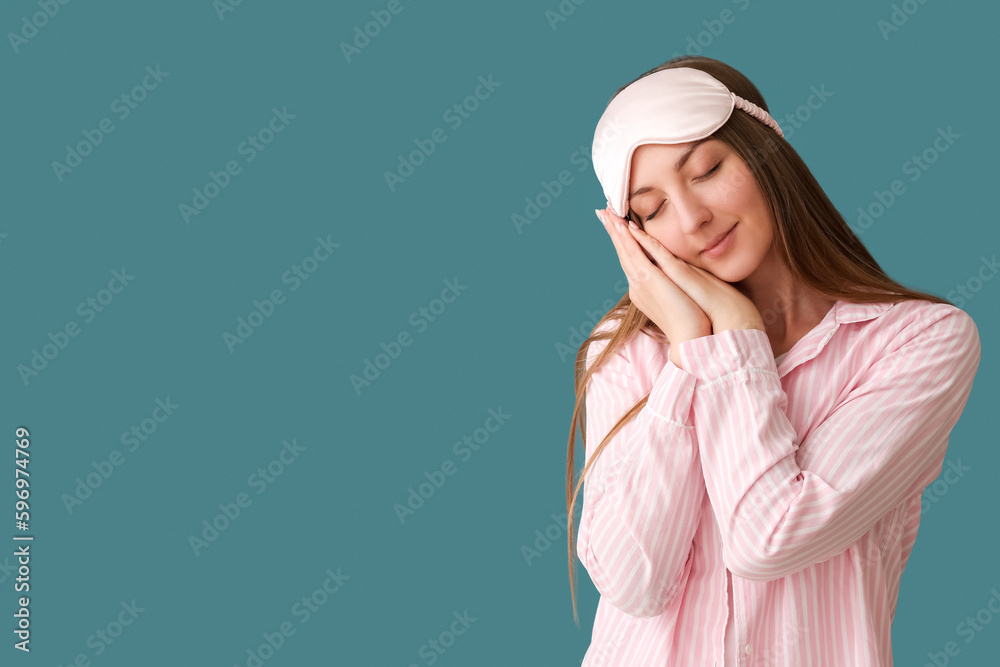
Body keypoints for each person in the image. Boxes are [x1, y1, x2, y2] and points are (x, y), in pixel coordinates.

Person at [564, 56, 981, 666]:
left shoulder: (918, 341)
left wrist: (733, 338)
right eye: (650, 210)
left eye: (706, 169)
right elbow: (633, 584)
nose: (690, 218)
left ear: (767, 152)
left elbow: (772, 536)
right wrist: (688, 352)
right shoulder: (627, 351)